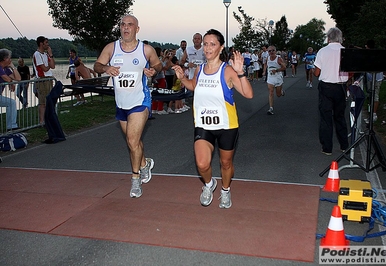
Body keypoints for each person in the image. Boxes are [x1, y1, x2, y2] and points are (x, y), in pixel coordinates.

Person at [172, 29, 253, 209]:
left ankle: (225, 189)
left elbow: (248, 94)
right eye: (206, 44)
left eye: (212, 44)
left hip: (227, 126)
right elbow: (193, 86)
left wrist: (240, 73)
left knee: (226, 163)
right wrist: (182, 78)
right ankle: (209, 184)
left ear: (220, 47)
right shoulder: (199, 70)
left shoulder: (228, 71)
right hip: (203, 124)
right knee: (202, 163)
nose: (208, 48)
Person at [93, 14, 162, 198]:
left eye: (130, 25)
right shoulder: (111, 48)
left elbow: (159, 65)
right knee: (134, 141)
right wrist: (106, 68)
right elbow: (97, 65)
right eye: (123, 24)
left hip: (140, 102)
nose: (125, 28)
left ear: (137, 29)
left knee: (132, 141)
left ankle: (135, 179)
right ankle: (145, 163)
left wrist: (153, 71)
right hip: (121, 104)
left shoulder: (146, 50)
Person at [314, 27, 349, 156]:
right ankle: (344, 145)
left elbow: (317, 72)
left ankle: (327, 147)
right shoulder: (345, 51)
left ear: (328, 37)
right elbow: (350, 72)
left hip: (326, 86)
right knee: (340, 117)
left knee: (325, 118)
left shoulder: (323, 51)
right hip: (340, 86)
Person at [33, 36, 56, 126]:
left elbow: (53, 66)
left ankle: (48, 119)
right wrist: (49, 66)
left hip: (49, 79)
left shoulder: (46, 55)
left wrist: (50, 54)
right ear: (41, 43)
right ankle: (42, 121)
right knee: (43, 101)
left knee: (48, 100)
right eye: (46, 42)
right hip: (42, 80)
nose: (48, 44)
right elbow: (45, 69)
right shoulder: (37, 54)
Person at [0, 49, 20, 130]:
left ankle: (11, 126)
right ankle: (11, 126)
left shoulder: (6, 69)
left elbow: (18, 78)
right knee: (11, 103)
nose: (10, 60)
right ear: (4, 58)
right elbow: (6, 78)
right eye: (9, 58)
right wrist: (11, 82)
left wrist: (13, 67)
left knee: (11, 103)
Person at [263, 45, 286, 115]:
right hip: (270, 77)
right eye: (269, 51)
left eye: (273, 50)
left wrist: (277, 70)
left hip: (278, 77)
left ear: (275, 51)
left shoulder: (279, 59)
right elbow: (265, 65)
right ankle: (271, 108)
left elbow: (284, 67)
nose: (271, 52)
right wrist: (264, 71)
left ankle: (281, 92)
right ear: (268, 52)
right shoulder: (268, 58)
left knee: (278, 95)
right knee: (271, 92)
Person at [365, 39, 384, 122]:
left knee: (375, 95)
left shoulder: (375, 55)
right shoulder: (368, 54)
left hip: (377, 78)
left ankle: (374, 114)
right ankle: (371, 113)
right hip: (370, 78)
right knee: (371, 95)